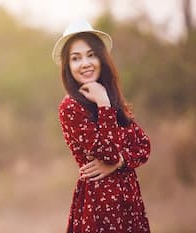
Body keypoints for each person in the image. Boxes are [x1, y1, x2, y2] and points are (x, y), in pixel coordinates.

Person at [53, 18, 151, 233]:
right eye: (76, 58)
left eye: (91, 54)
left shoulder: (111, 98)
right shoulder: (71, 107)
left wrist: (120, 162)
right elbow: (107, 152)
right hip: (100, 204)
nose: (85, 63)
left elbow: (143, 146)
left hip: (129, 201)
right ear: (68, 66)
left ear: (102, 58)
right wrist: (104, 104)